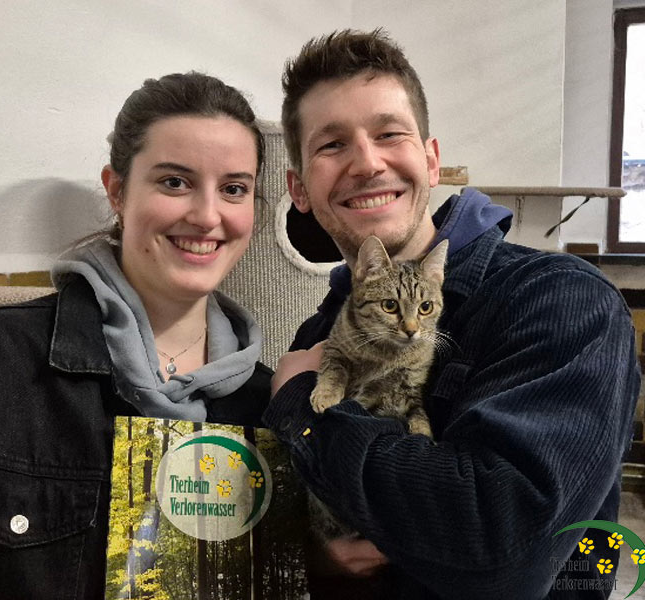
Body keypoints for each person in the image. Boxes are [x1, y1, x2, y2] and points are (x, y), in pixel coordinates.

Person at [0, 72, 271, 598]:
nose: (207, 216)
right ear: (117, 191)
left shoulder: (270, 403)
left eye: (234, 189)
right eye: (174, 182)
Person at [265, 29, 641, 598]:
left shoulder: (561, 300)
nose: (367, 162)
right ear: (299, 188)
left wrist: (302, 406)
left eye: (389, 134)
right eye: (332, 145)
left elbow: (502, 553)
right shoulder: (318, 334)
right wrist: (314, 552)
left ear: (432, 161)